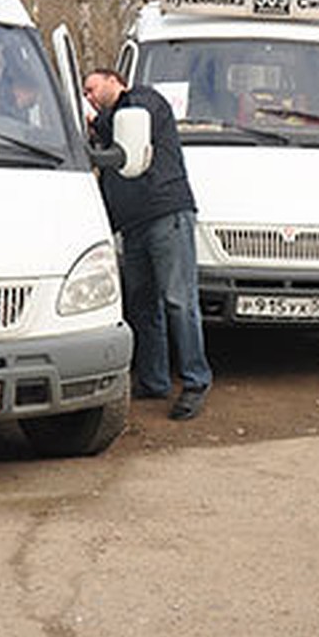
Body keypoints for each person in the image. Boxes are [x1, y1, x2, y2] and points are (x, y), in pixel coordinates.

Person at [84, 67, 212, 420]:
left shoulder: (142, 102)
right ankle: (154, 380)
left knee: (179, 302)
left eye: (92, 88)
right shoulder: (107, 124)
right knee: (143, 305)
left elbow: (128, 130)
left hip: (165, 215)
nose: (89, 96)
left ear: (114, 81)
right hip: (134, 225)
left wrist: (97, 122)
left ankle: (195, 382)